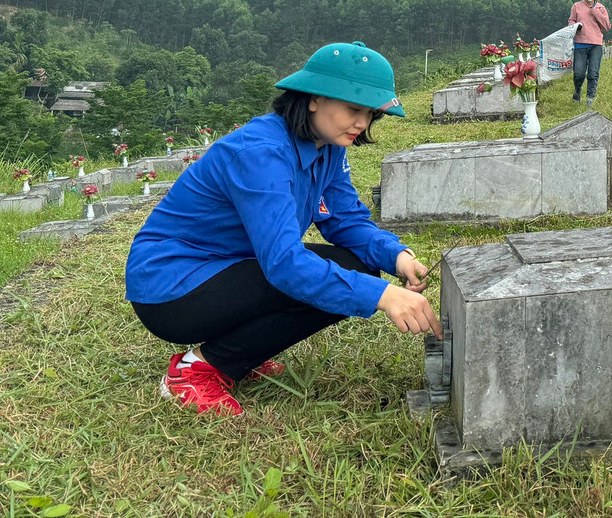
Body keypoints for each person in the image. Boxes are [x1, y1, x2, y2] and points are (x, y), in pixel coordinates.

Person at [125, 41, 440, 416]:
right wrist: (383, 296)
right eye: (353, 109)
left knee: (357, 267)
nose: (362, 123)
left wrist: (397, 256)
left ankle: (240, 354)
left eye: (370, 114)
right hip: (173, 287)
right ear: (314, 99)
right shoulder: (261, 153)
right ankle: (195, 371)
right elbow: (284, 265)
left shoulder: (328, 147)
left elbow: (344, 219)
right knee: (348, 281)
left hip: (231, 266)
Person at [569, 0, 611, 107]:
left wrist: (595, 11)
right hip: (580, 43)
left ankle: (590, 97)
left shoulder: (601, 8)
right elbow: (571, 21)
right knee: (579, 73)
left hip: (596, 44)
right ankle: (577, 91)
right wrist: (575, 26)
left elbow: (606, 26)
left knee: (593, 73)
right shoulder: (576, 6)